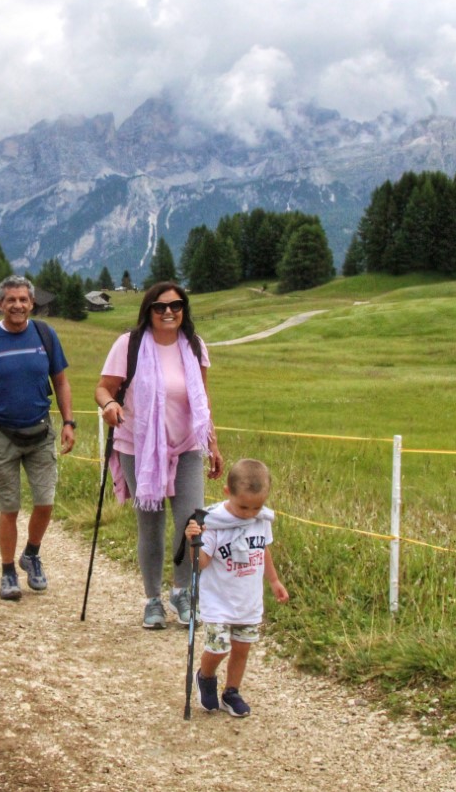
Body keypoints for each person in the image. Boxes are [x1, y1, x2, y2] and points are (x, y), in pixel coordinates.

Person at [94, 280, 223, 629]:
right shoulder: (129, 344)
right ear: (148, 310)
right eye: (160, 306)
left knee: (191, 523)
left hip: (186, 447)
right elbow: (103, 387)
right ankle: (152, 600)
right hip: (139, 448)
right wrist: (109, 405)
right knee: (150, 525)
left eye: (176, 305)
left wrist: (212, 442)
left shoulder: (194, 346)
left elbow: (203, 401)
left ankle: (181, 592)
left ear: (184, 310)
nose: (169, 312)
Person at [0, 275, 77, 601]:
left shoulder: (45, 334)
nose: (18, 305)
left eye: (23, 299)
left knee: (46, 501)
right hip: (1, 435)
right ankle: (8, 571)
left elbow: (62, 382)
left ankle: (32, 554)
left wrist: (69, 422)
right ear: (0, 304)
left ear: (32, 303)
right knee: (8, 508)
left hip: (40, 431)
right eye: (11, 300)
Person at [184, 458, 289, 717]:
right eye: (243, 506)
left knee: (242, 648)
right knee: (219, 647)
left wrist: (274, 580)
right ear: (227, 493)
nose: (249, 513)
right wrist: (193, 542)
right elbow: (202, 564)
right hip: (219, 600)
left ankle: (232, 691)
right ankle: (205, 676)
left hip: (248, 600)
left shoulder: (260, 519)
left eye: (256, 507)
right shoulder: (212, 522)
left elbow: (263, 549)